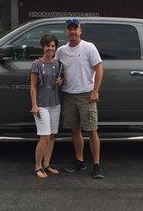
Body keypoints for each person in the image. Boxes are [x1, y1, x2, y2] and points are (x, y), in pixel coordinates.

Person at [56, 18, 105, 179]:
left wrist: (95, 91)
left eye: (75, 29)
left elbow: (99, 69)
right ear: (66, 32)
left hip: (86, 95)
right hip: (69, 95)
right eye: (69, 29)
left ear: (80, 31)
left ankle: (96, 165)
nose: (72, 32)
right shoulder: (61, 51)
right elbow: (59, 71)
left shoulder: (88, 47)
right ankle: (80, 161)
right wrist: (60, 80)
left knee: (91, 130)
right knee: (74, 130)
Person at [29, 34, 63, 179]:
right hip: (41, 105)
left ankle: (47, 164)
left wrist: (59, 82)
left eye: (53, 46)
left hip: (55, 104)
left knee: (52, 136)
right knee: (44, 137)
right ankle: (38, 166)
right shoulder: (36, 64)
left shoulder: (58, 64)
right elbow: (33, 86)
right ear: (43, 47)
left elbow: (59, 82)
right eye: (48, 45)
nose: (50, 48)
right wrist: (34, 105)